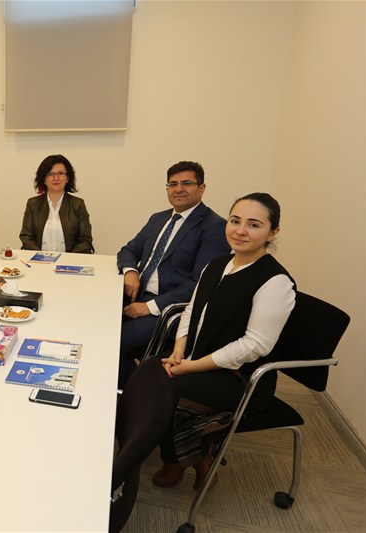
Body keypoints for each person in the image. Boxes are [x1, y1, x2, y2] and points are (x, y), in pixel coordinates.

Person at [151, 192, 295, 491]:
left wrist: (190, 367)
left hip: (242, 378)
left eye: (254, 225)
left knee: (166, 387)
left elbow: (254, 346)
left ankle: (184, 459)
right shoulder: (216, 265)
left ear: (273, 232)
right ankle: (188, 452)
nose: (240, 231)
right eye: (235, 221)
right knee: (150, 372)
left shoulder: (275, 281)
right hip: (198, 357)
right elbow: (192, 310)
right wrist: (179, 351)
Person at [116, 161, 230, 386]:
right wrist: (131, 272)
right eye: (173, 184)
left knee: (114, 341)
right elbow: (128, 250)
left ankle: (135, 395)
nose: (178, 189)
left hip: (167, 309)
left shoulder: (214, 227)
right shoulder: (158, 218)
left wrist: (148, 307)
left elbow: (200, 283)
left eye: (186, 183)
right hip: (136, 293)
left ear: (202, 188)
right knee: (92, 322)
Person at [19, 154, 94, 253]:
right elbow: (26, 237)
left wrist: (68, 258)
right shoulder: (33, 204)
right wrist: (42, 257)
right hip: (39, 260)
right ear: (44, 179)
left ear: (67, 178)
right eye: (50, 174)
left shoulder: (78, 204)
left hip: (70, 261)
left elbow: (86, 240)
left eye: (60, 173)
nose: (56, 178)